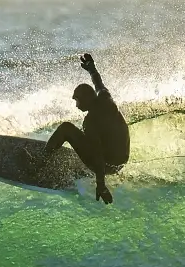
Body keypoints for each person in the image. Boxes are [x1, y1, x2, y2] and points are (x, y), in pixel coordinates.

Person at [40, 53, 130, 204]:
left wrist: (101, 185)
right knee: (89, 137)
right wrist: (91, 69)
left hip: (107, 165)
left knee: (66, 128)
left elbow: (98, 155)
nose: (76, 105)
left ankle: (43, 161)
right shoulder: (105, 97)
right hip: (121, 162)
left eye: (77, 100)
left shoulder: (91, 121)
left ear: (86, 99)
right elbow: (98, 83)